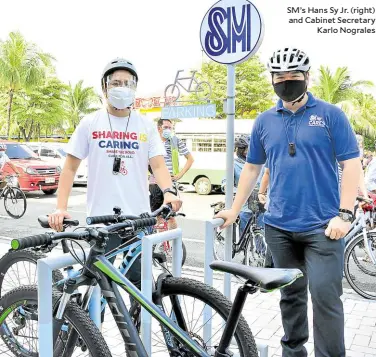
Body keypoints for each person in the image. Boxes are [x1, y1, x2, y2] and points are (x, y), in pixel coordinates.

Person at [216, 47, 362, 357]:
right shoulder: (264, 121)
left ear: (307, 77)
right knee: (291, 297)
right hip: (279, 227)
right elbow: (253, 168)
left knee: (326, 298)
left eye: (294, 75)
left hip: (324, 227)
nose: (286, 81)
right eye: (280, 77)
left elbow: (352, 163)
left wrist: (345, 214)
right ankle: (293, 352)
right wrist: (234, 207)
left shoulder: (330, 115)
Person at [48, 58, 182, 288]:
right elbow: (70, 167)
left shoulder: (146, 125)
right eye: (116, 82)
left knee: (140, 287)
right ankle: (90, 325)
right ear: (104, 87)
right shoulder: (90, 123)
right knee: (98, 288)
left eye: (128, 83)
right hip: (101, 222)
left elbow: (158, 165)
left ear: (135, 89)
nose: (122, 87)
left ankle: (137, 325)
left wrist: (169, 192)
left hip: (139, 219)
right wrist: (61, 207)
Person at [149, 118, 194, 229]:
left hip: (169, 183)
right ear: (159, 128)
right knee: (157, 216)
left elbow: (190, 158)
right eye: (166, 127)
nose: (168, 130)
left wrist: (180, 174)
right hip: (154, 183)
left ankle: (173, 243)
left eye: (170, 127)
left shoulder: (175, 141)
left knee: (170, 215)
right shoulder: (152, 141)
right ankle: (161, 243)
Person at [222, 135, 264, 237]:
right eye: (244, 149)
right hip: (244, 206)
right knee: (244, 233)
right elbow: (225, 183)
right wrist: (237, 191)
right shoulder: (233, 164)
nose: (247, 152)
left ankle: (260, 252)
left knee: (261, 232)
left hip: (260, 205)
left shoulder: (260, 163)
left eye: (249, 149)